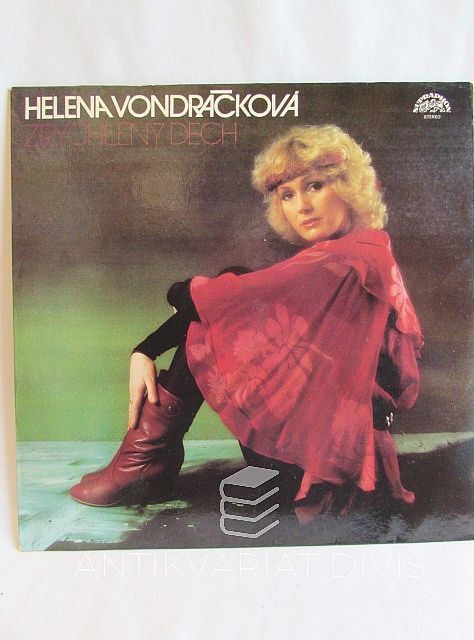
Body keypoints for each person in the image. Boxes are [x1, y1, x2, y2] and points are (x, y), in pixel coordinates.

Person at [70, 124, 423, 514]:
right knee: (234, 291)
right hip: (325, 445)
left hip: (318, 464)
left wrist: (149, 344)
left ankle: (145, 461)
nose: (302, 206)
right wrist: (150, 346)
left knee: (228, 296)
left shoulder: (345, 260)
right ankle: (146, 460)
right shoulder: (368, 251)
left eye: (315, 186)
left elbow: (201, 296)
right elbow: (232, 298)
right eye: (287, 194)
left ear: (347, 186)